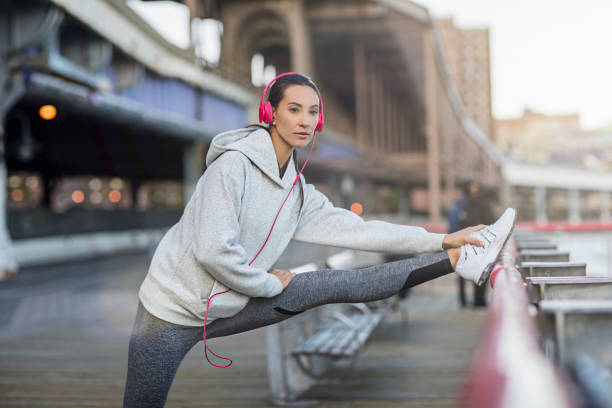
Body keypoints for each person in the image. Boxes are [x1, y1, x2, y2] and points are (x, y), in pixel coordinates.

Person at [123, 72, 516, 407]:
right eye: (293, 109)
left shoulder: (296, 191)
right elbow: (212, 251)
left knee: (326, 286)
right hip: (169, 315)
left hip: (229, 304)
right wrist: (265, 283)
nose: (305, 121)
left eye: (313, 112)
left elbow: (361, 231)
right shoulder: (232, 168)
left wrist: (444, 239)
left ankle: (461, 259)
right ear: (270, 112)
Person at [449, 180, 496, 307]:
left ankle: (477, 302)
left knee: (478, 273)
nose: (474, 190)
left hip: (479, 244)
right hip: (464, 244)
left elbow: (490, 223)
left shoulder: (475, 204)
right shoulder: (462, 205)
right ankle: (466, 302)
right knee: (464, 273)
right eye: (472, 188)